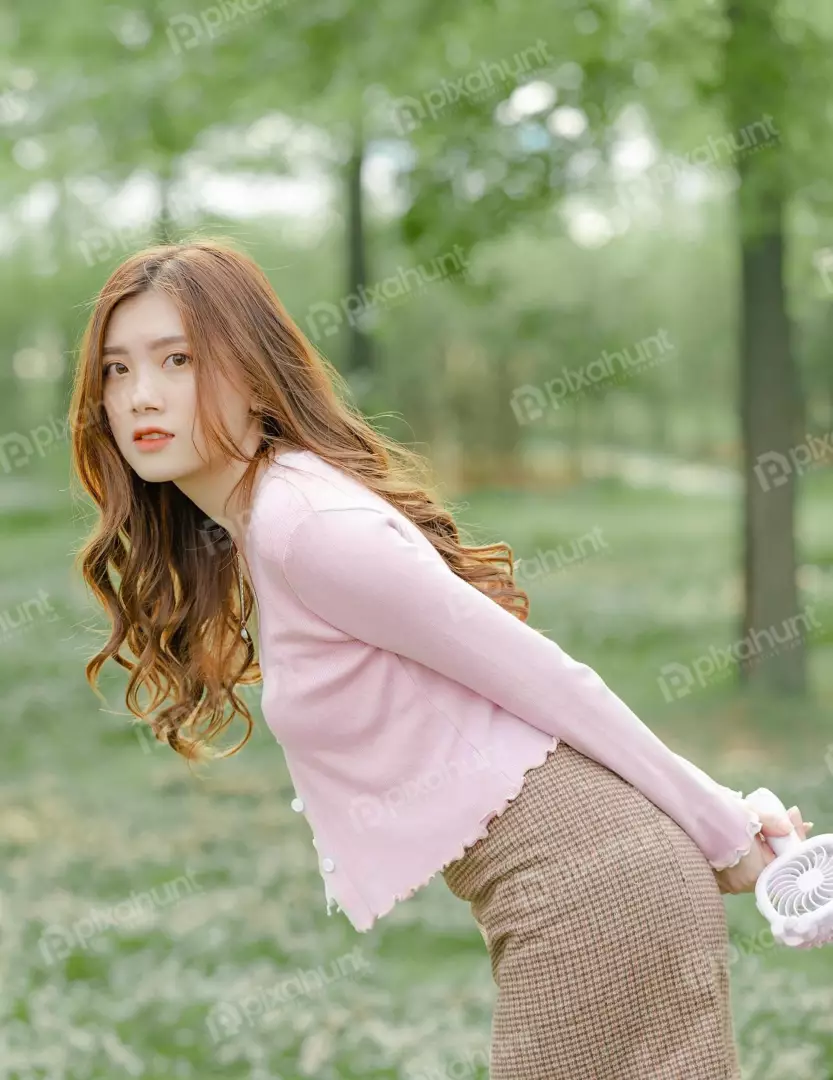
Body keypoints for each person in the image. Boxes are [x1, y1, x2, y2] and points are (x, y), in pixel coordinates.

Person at [69, 238, 812, 1080]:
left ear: (252, 369)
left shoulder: (304, 523)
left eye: (178, 359)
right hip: (575, 889)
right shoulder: (266, 519)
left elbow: (545, 678)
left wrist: (723, 829)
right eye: (116, 370)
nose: (141, 396)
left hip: (593, 892)